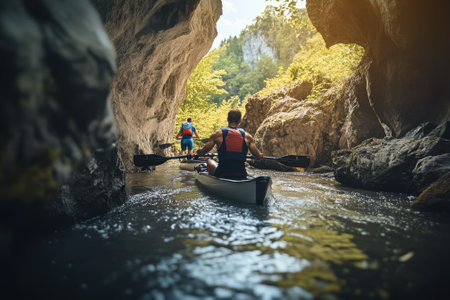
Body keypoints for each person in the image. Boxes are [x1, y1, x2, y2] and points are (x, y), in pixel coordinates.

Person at [196, 109, 263, 179]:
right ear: (240, 120)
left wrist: (198, 151)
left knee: (210, 161)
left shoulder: (217, 134)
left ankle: (211, 179)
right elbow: (258, 156)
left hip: (222, 172)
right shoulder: (248, 137)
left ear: (227, 119)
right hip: (241, 173)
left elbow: (203, 152)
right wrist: (261, 155)